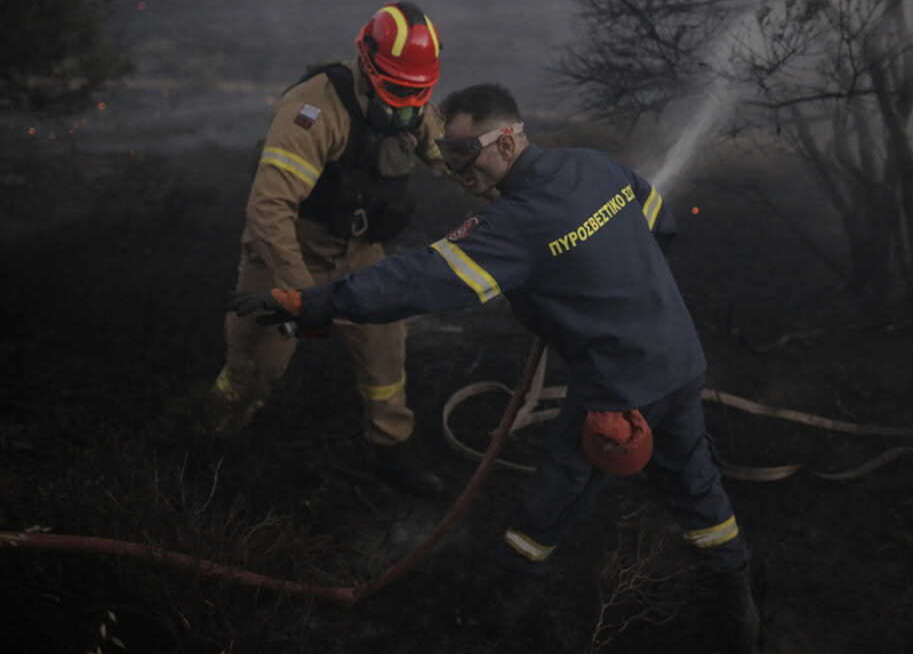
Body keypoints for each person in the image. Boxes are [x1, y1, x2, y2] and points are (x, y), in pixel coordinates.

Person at [228, 83, 761, 652]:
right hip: (680, 362)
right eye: (446, 154)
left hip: (615, 389)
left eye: (463, 154)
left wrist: (314, 303)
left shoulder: (517, 224)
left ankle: (500, 616)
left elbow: (418, 279)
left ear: (506, 141)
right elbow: (661, 221)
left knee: (551, 500)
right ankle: (738, 614)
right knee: (698, 487)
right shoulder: (592, 165)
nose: (455, 170)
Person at [204, 1, 447, 498]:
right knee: (254, 366)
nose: (406, 107)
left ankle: (390, 450)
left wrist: (518, 189)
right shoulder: (312, 110)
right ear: (368, 64)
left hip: (359, 253)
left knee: (386, 357)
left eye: (416, 95)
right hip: (285, 253)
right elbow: (268, 210)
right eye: (396, 91)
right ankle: (214, 447)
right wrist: (300, 293)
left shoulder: (414, 102)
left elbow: (456, 160)